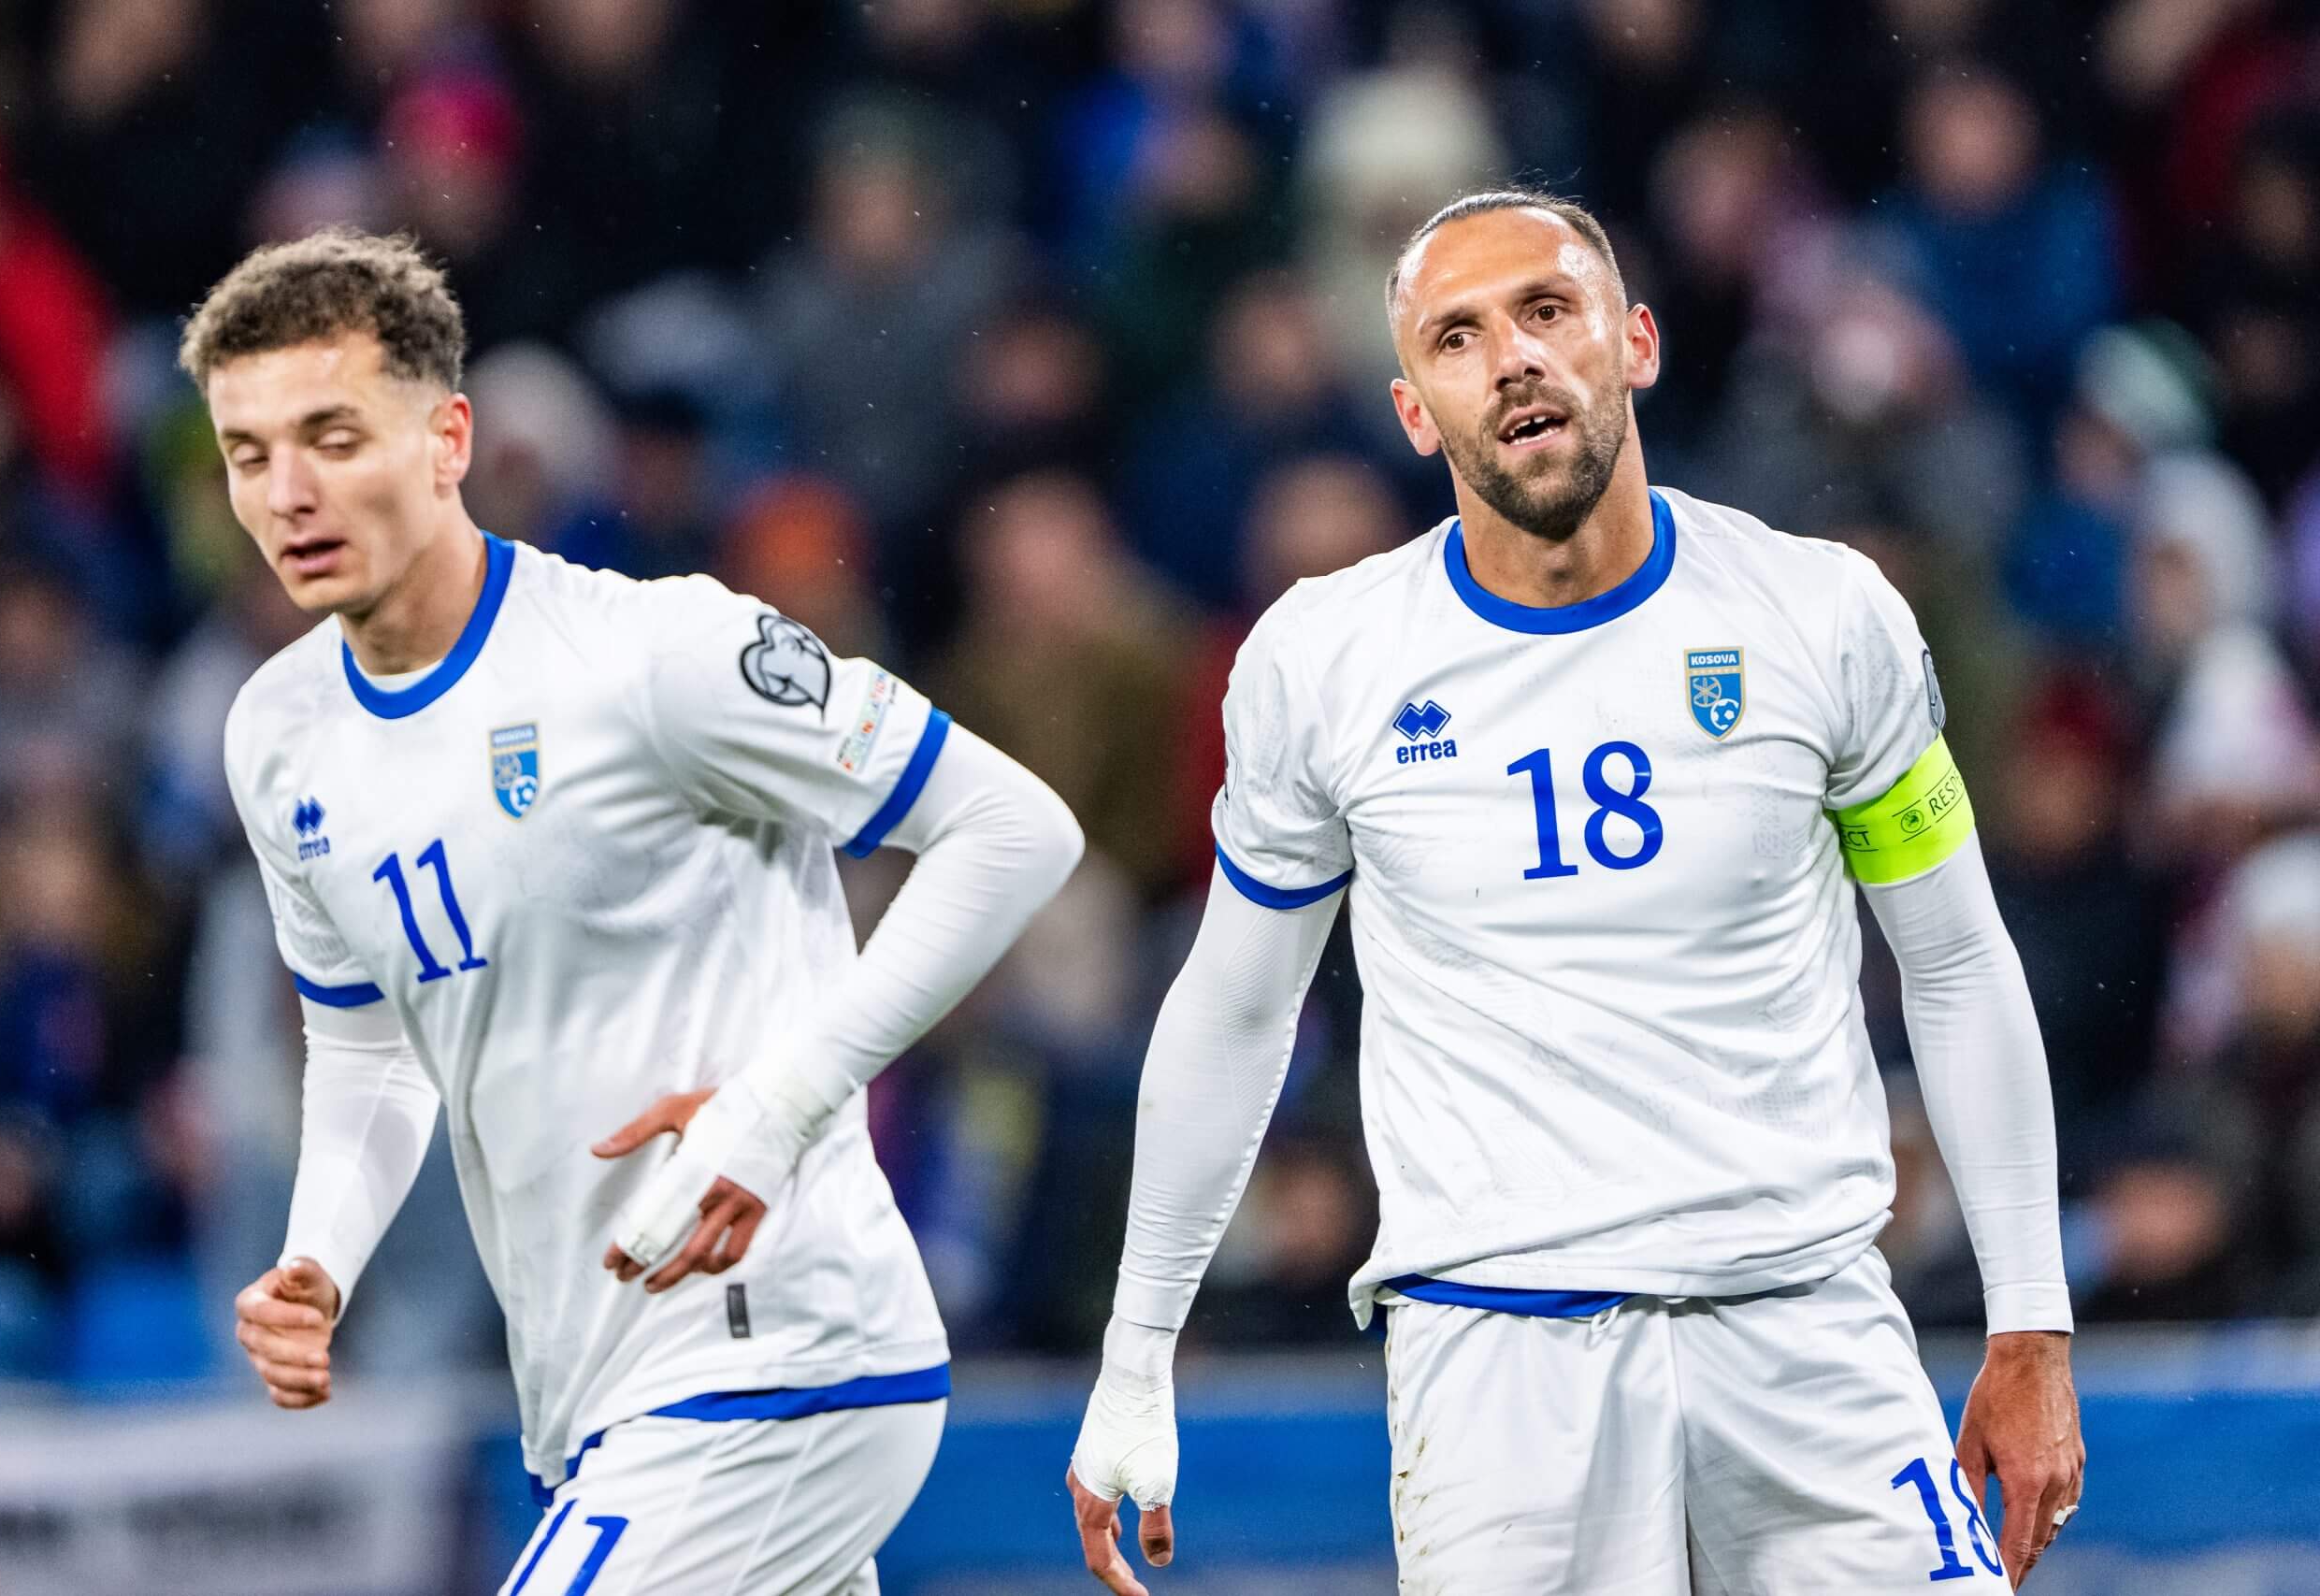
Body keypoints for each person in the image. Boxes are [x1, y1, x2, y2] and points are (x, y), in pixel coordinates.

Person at [1066, 189, 2084, 1595]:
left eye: (1548, 311)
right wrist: (1135, 1354)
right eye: (1459, 337)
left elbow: (1960, 963)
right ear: (1416, 412)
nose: (1514, 358)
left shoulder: (1822, 614)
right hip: (1497, 1364)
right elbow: (1237, 1013)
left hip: (1807, 1328)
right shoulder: (1322, 663)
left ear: (1637, 342)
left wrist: (2031, 1325)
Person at [191, 229, 1082, 1595]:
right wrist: (319, 1254)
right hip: (595, 1391)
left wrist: (775, 1110)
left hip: (776, 1356)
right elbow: (369, 1045)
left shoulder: (655, 655)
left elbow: (1015, 828)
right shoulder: (279, 730)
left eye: (333, 436)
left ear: (448, 437)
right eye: (251, 454)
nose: (290, 492)